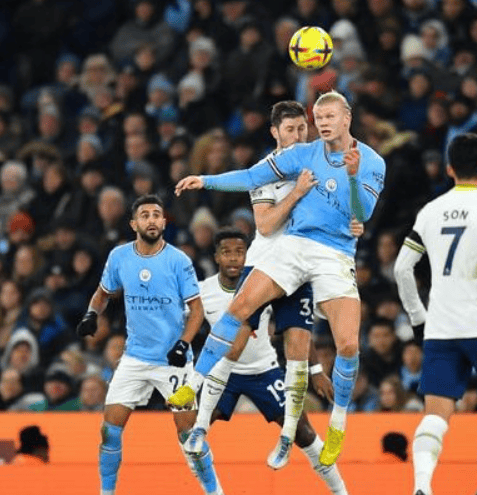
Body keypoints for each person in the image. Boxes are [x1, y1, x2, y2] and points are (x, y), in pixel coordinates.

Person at [171, 90, 385, 466]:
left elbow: (362, 212)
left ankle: (337, 423)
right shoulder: (303, 154)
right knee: (239, 307)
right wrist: (204, 180)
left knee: (349, 345)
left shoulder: (371, 161)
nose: (323, 123)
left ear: (347, 118)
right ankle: (193, 385)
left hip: (334, 253)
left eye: (330, 117)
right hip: (294, 245)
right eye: (319, 118)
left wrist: (352, 178)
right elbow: (252, 176)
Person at [393, 133, 477, 495]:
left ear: (449, 169)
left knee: (435, 415)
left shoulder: (430, 211)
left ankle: (422, 485)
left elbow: (402, 268)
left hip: (440, 327)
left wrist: (418, 317)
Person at [75, 194, 223, 495]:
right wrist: (91, 314)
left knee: (189, 437)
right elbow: (102, 294)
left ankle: (214, 492)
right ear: (134, 224)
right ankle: (106, 492)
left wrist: (183, 344)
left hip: (173, 361)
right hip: (135, 357)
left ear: (164, 222)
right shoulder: (120, 257)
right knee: (109, 431)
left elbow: (196, 310)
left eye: (156, 215)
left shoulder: (178, 261)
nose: (152, 220)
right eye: (145, 215)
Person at [191, 228, 348, 494]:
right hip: (223, 375)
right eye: (226, 252)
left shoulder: (265, 282)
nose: (233, 258)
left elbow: (296, 329)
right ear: (216, 257)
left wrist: (315, 369)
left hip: (263, 372)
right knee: (192, 431)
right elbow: (185, 328)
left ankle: (341, 491)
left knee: (304, 432)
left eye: (240, 252)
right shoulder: (203, 291)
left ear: (248, 254)